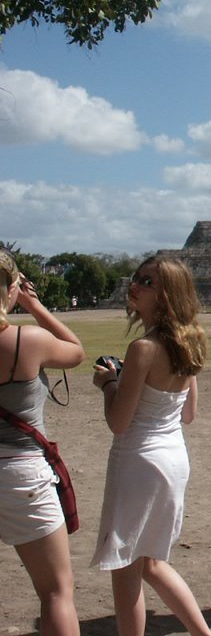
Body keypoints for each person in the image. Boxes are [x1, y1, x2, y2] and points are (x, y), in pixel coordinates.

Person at [91, 255, 211, 636]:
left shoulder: (143, 348)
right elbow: (188, 413)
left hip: (140, 460)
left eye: (147, 282)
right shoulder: (190, 340)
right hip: (173, 457)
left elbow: (119, 422)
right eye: (137, 278)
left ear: (166, 294)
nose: (135, 285)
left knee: (126, 569)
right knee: (152, 564)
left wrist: (110, 384)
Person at [0, 250, 85, 636]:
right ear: (11, 288)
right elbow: (75, 351)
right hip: (20, 473)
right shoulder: (26, 341)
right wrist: (34, 306)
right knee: (55, 591)